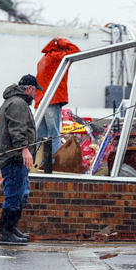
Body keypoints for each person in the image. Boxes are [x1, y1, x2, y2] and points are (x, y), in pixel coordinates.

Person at [0, 74, 42, 245]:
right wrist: (25, 150)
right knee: (14, 195)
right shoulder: (18, 104)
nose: (36, 95)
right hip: (13, 157)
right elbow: (17, 130)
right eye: (35, 90)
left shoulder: (14, 102)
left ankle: (12, 228)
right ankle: (6, 233)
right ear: (29, 88)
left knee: (21, 194)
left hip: (15, 158)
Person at [34, 38, 80, 172]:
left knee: (40, 136)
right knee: (53, 135)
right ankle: (52, 164)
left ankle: (38, 163)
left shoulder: (45, 58)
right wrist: (62, 41)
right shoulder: (58, 57)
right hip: (52, 100)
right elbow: (76, 51)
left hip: (40, 102)